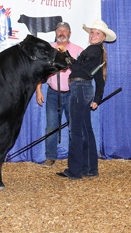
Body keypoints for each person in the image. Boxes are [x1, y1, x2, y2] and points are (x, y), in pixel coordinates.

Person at [56, 20, 116, 179]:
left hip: (79, 89)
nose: (93, 35)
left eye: (97, 33)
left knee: (75, 131)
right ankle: (90, 169)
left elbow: (76, 68)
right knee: (86, 130)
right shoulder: (98, 51)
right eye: (92, 32)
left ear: (103, 37)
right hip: (85, 89)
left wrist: (66, 54)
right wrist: (96, 97)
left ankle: (75, 171)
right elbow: (98, 77)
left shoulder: (92, 50)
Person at [36, 22, 83, 167]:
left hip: (72, 93)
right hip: (52, 93)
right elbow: (39, 71)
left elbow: (83, 71)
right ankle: (50, 157)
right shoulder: (48, 49)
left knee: (74, 126)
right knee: (51, 126)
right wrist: (38, 90)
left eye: (64, 30)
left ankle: (76, 157)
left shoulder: (78, 50)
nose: (61, 32)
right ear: (56, 33)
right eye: (59, 30)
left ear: (69, 33)